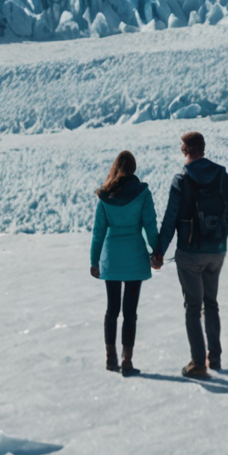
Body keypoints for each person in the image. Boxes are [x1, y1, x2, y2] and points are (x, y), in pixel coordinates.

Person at [152, 130, 228, 380]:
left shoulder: (181, 180)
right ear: (202, 148)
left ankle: (198, 363)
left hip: (190, 254)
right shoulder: (222, 176)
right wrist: (223, 232)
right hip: (216, 251)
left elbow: (170, 220)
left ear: (187, 151)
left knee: (193, 307)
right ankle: (214, 356)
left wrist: (159, 252)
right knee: (211, 303)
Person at [88, 150, 156, 376]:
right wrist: (156, 251)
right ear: (133, 168)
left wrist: (94, 261)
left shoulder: (105, 195)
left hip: (112, 258)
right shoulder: (143, 193)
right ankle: (127, 361)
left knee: (112, 310)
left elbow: (98, 232)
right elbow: (150, 225)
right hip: (135, 257)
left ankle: (110, 358)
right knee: (130, 312)